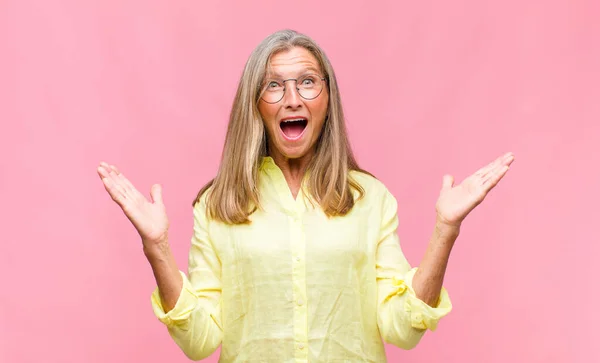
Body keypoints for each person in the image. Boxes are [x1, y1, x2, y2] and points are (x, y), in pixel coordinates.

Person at [97, 29, 514, 362]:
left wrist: (445, 231)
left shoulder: (370, 198)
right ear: (255, 104)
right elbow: (200, 342)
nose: (292, 98)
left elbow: (401, 330)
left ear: (328, 98)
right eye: (274, 85)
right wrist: (157, 249)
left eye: (308, 82)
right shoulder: (217, 205)